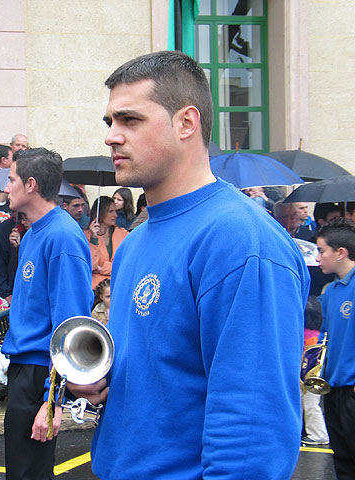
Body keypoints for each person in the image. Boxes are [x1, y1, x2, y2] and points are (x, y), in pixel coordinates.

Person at [70, 51, 310, 479]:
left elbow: (252, 428)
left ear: (187, 123)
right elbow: (165, 369)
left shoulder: (240, 239)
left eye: (131, 120)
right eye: (110, 122)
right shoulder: (135, 241)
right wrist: (104, 380)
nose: (111, 136)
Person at [1, 148, 93, 480]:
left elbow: (71, 329)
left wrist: (52, 401)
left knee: (30, 473)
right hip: (24, 369)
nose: (6, 186)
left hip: (41, 374)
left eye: (11, 179)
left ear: (30, 184)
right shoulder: (34, 232)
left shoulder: (63, 236)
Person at [315, 219, 355, 478]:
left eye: (321, 250)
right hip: (334, 388)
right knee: (341, 458)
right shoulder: (330, 291)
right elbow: (325, 337)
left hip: (351, 389)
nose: (318, 258)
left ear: (341, 253)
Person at [300, 295, 329, 447]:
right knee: (311, 405)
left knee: (310, 405)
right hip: (312, 373)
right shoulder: (316, 336)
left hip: (307, 375)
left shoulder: (306, 336)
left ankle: (318, 434)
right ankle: (314, 432)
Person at [85, 196, 128, 289]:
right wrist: (94, 238)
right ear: (100, 213)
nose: (115, 215)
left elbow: (126, 266)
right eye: (110, 211)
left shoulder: (124, 234)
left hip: (119, 286)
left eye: (115, 211)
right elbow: (92, 265)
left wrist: (102, 268)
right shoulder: (86, 236)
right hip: (96, 290)